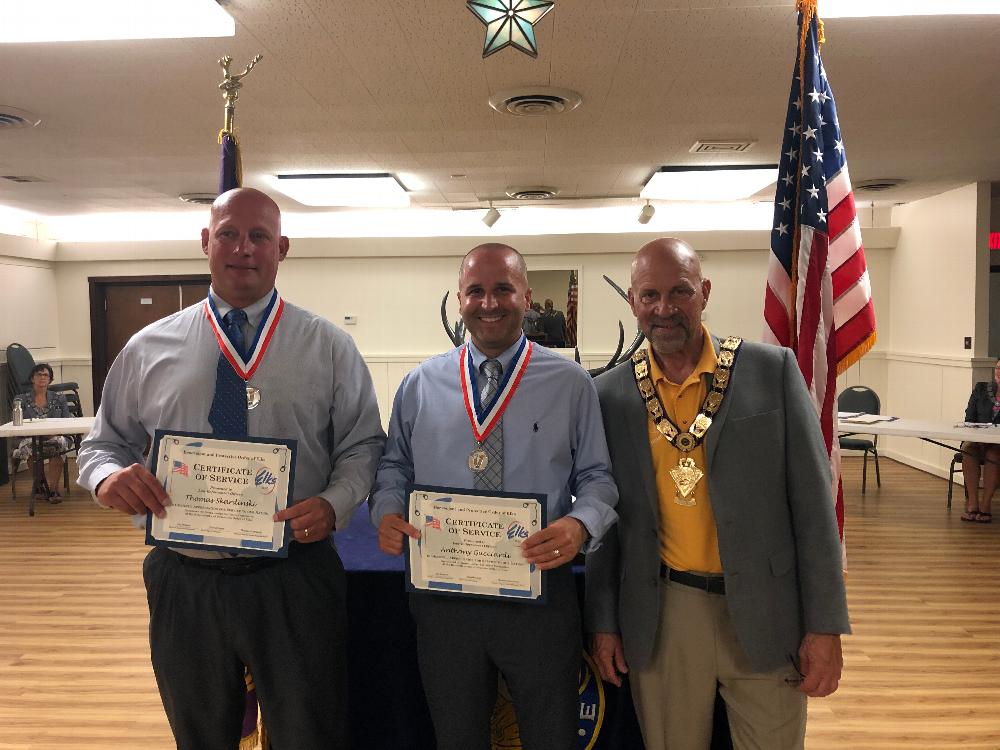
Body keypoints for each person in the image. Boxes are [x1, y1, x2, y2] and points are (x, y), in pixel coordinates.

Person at [76, 188, 385, 750]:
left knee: (309, 732)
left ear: (282, 248)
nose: (243, 248)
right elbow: (101, 445)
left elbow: (363, 447)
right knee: (200, 734)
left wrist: (335, 503)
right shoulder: (148, 348)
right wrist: (108, 478)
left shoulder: (330, 348)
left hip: (295, 578)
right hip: (185, 579)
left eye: (259, 236)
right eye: (228, 234)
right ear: (205, 242)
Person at [585, 237, 849, 750]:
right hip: (663, 613)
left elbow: (815, 510)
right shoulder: (610, 394)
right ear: (632, 302)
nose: (664, 309)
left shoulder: (770, 372)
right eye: (649, 296)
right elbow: (605, 520)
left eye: (679, 292)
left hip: (767, 610)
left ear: (703, 292)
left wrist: (825, 625)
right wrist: (603, 622)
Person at [370, 243, 618, 750]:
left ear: (527, 296)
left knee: (552, 736)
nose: (489, 303)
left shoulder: (570, 384)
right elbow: (394, 465)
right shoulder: (420, 384)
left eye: (503, 289)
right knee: (457, 737)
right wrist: (388, 508)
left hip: (541, 597)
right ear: (458, 299)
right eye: (476, 291)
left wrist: (580, 524)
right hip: (445, 600)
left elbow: (598, 477)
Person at [13, 362, 70, 503]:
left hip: (54, 436)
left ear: (50, 379)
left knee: (58, 448)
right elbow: (17, 425)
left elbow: (67, 421)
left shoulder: (59, 398)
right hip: (31, 438)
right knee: (31, 450)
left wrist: (55, 432)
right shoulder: (20, 400)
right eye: (39, 374)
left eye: (46, 375)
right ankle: (39, 487)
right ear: (32, 378)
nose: (42, 377)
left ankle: (53, 490)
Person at [959, 358, 1000, 523]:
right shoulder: (981, 389)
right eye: (998, 368)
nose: (999, 373)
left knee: (993, 455)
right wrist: (977, 436)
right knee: (968, 450)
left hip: (997, 445)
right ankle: (972, 504)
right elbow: (969, 418)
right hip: (977, 439)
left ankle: (986, 505)